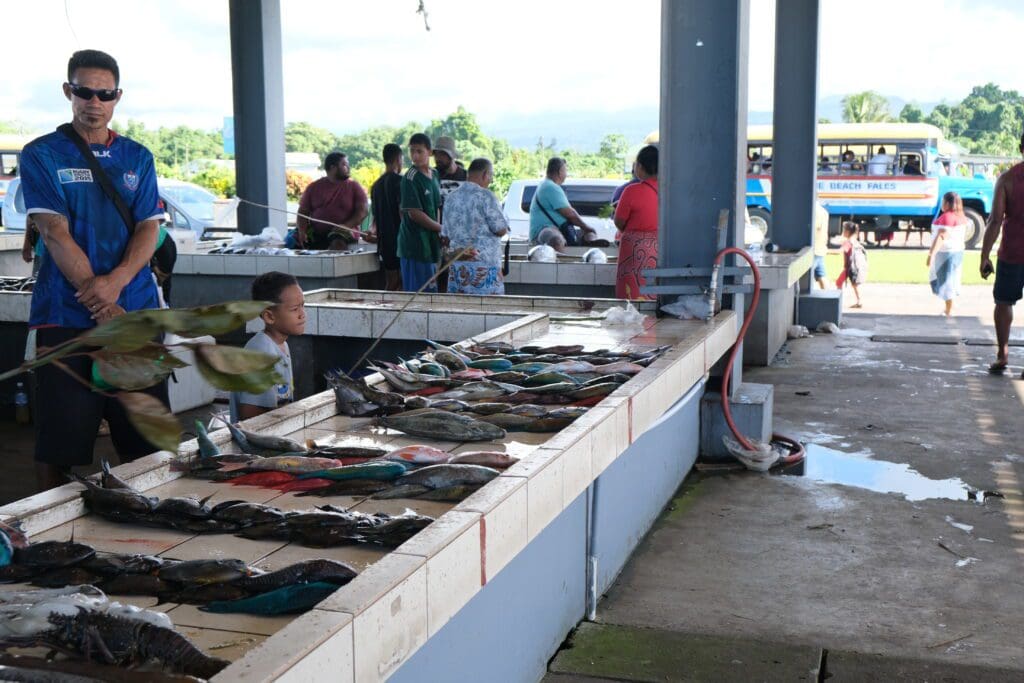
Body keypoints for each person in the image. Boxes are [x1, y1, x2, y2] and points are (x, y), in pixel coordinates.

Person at [20, 49, 168, 492]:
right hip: (66, 318)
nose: (94, 101)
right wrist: (101, 303)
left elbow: (148, 227)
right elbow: (53, 230)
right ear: (69, 91)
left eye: (105, 94)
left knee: (145, 444)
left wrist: (117, 284)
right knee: (60, 446)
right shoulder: (41, 154)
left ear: (117, 97)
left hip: (135, 315)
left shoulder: (137, 157)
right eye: (84, 91)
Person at [229, 272, 306, 422]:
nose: (302, 314)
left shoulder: (281, 344)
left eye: (303, 306)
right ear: (269, 316)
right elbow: (250, 416)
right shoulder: (260, 353)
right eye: (294, 309)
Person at [980, 133, 1024, 375]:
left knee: (1004, 302)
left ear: (1021, 148)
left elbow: (995, 221)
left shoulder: (1007, 180)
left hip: (1012, 253)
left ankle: (1002, 354)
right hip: (1012, 252)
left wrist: (984, 255)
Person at [441, 158, 509, 295]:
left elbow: (445, 236)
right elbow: (501, 230)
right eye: (491, 176)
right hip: (484, 269)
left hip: (458, 269)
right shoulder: (486, 197)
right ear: (485, 174)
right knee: (488, 312)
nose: (490, 180)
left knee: (460, 311)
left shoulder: (451, 197)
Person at [397, 133, 443, 292]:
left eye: (419, 151)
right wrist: (440, 228)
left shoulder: (435, 174)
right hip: (414, 245)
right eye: (412, 151)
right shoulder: (409, 178)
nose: (415, 156)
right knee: (416, 295)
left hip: (431, 244)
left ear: (430, 152)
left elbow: (436, 206)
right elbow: (414, 213)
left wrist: (439, 233)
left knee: (431, 292)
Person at [294, 152, 368, 250]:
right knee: (296, 243)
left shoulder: (354, 187)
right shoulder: (313, 187)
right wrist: (302, 231)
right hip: (317, 233)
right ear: (333, 168)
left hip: (345, 233)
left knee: (337, 242)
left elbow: (363, 212)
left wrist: (346, 226)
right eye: (344, 164)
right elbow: (303, 212)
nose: (348, 168)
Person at [613, 145, 658, 299]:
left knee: (630, 300)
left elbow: (619, 221)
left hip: (632, 254)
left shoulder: (631, 191)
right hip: (659, 251)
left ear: (639, 166)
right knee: (653, 298)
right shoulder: (668, 191)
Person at [529, 157, 600, 251]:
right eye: (566, 170)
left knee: (590, 235)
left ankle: (589, 255)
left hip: (562, 228)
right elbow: (570, 213)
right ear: (560, 171)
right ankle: (560, 263)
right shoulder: (550, 186)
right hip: (544, 230)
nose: (566, 174)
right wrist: (586, 227)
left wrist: (588, 230)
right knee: (556, 239)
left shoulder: (546, 185)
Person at [367, 143, 404, 291]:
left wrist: (373, 231)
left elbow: (375, 216)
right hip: (401, 241)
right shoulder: (401, 182)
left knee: (391, 281)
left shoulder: (376, 186)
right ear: (398, 158)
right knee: (402, 282)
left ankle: (387, 309)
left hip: (384, 242)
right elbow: (403, 213)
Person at [926, 191, 967, 317]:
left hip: (946, 253)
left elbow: (942, 236)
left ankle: (949, 310)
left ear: (948, 203)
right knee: (951, 280)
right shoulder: (961, 217)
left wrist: (931, 254)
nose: (942, 204)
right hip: (957, 252)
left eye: (943, 201)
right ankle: (950, 306)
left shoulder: (947, 217)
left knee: (946, 282)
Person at [835, 221, 867, 308]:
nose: (843, 232)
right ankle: (859, 301)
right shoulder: (854, 241)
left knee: (839, 283)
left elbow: (839, 251)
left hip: (850, 268)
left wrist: (826, 251)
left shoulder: (848, 242)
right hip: (853, 267)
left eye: (844, 230)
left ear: (848, 231)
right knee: (853, 285)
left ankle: (838, 301)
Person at [812, 202, 830, 289]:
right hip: (821, 247)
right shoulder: (824, 211)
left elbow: (814, 229)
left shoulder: (812, 211)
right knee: (821, 275)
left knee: (807, 277)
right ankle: (826, 296)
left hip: (813, 249)